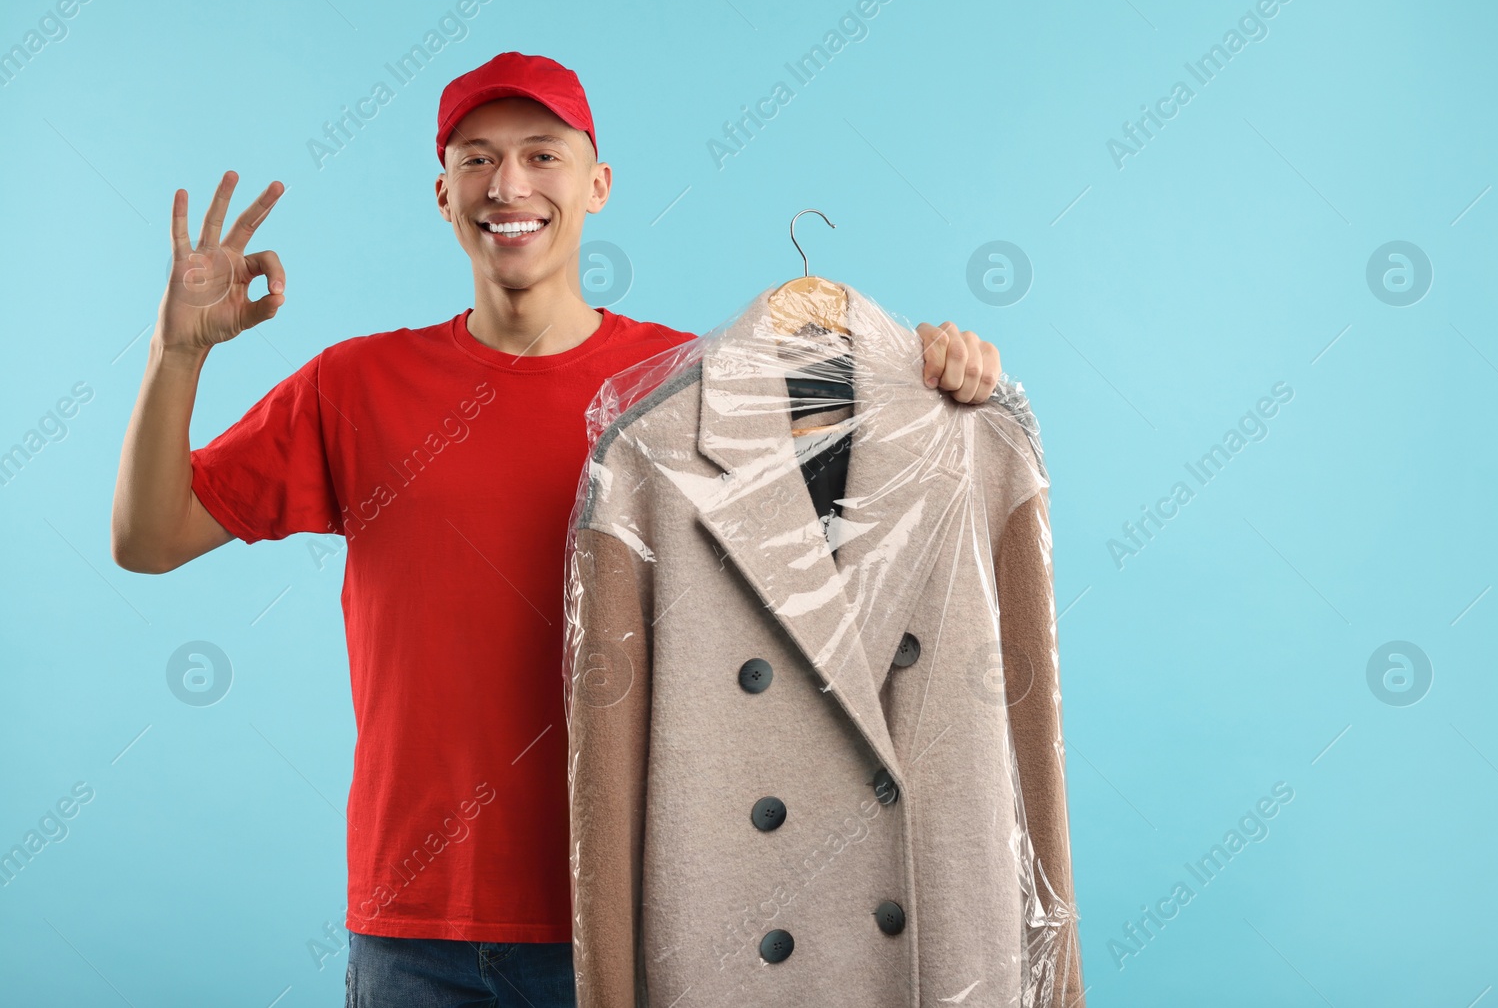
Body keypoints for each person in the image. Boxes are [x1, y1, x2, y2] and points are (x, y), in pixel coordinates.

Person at [110, 53, 1005, 1007]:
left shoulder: (686, 391)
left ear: (597, 185)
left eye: (544, 155)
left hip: (638, 909)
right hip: (416, 929)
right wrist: (176, 355)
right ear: (443, 191)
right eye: (478, 159)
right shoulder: (353, 387)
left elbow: (852, 536)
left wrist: (941, 385)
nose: (510, 185)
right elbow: (150, 536)